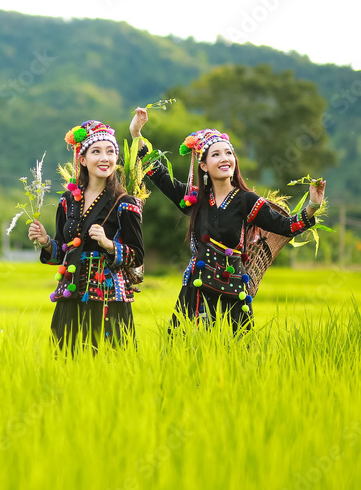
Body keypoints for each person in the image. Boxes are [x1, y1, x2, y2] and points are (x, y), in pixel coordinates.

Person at [129, 107, 326, 335]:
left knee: (238, 352)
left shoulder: (247, 200)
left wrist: (313, 206)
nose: (225, 159)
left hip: (234, 287)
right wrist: (136, 133)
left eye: (228, 153)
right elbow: (159, 174)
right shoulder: (195, 199)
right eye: (216, 154)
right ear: (203, 165)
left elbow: (286, 226)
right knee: (186, 348)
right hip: (198, 286)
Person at [28, 120, 144, 353]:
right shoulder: (67, 202)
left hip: (109, 297)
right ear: (82, 159)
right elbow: (63, 251)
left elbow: (137, 256)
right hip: (71, 291)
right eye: (96, 152)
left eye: (110, 152)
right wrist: (46, 242)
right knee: (66, 360)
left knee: (109, 364)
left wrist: (109, 244)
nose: (105, 158)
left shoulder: (125, 204)